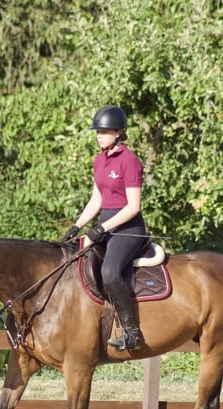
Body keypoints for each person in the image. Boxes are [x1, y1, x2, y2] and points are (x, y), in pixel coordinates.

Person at [62, 105, 148, 351]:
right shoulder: (99, 160)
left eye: (104, 130)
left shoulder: (129, 161)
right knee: (73, 260)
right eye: (97, 131)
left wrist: (100, 229)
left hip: (128, 228)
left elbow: (133, 207)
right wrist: (77, 226)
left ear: (119, 132)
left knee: (110, 271)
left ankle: (132, 334)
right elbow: (96, 199)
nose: (99, 135)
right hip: (106, 225)